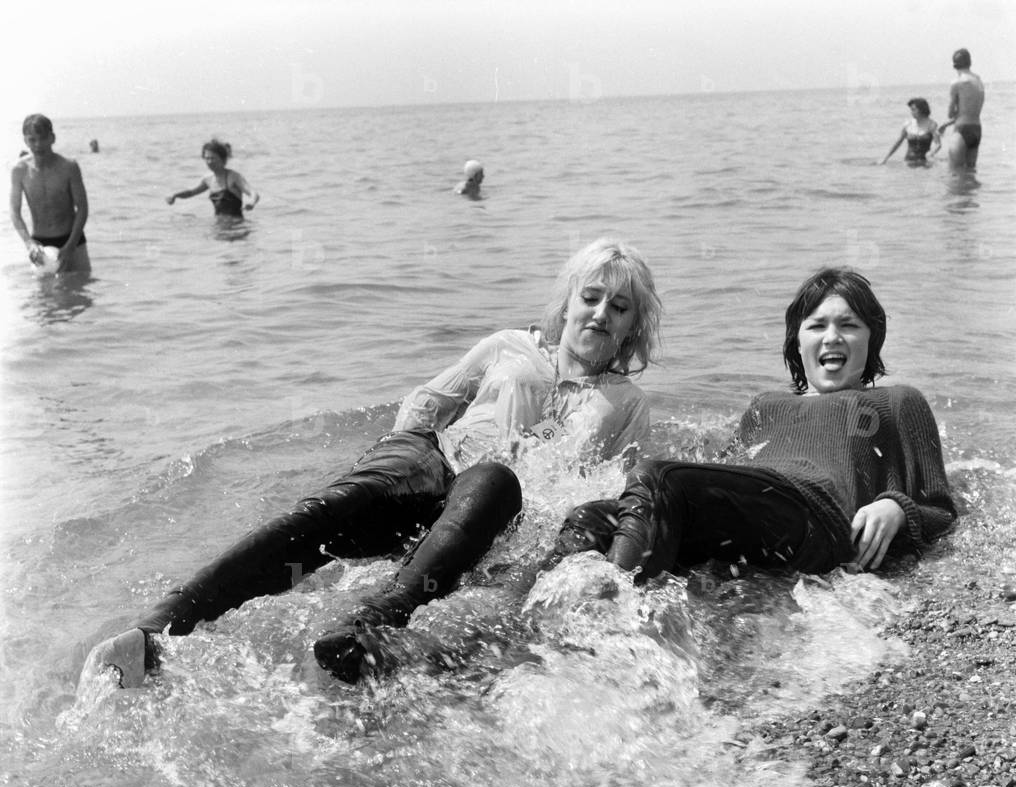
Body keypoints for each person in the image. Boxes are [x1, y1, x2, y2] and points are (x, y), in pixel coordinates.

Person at [81, 238, 663, 688]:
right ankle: (157, 629)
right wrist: (399, 459)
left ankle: (367, 627)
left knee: (497, 479)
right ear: (568, 301)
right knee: (331, 510)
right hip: (431, 464)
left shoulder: (628, 404)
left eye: (618, 307)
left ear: (631, 327)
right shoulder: (509, 345)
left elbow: (609, 491)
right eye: (591, 298)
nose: (600, 314)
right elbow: (428, 402)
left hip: (491, 508)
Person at [555, 267, 955, 587]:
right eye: (817, 326)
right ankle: (541, 621)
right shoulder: (767, 405)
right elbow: (719, 484)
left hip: (819, 521)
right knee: (590, 519)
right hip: (757, 525)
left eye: (848, 325)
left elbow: (942, 511)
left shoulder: (897, 401)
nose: (832, 337)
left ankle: (616, 614)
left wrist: (896, 508)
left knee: (658, 479)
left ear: (872, 337)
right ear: (798, 342)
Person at [9, 114, 91, 274]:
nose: (38, 144)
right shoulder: (19, 170)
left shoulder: (69, 167)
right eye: (32, 140)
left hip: (73, 239)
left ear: (52, 138)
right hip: (40, 245)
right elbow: (14, 211)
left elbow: (82, 208)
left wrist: (70, 246)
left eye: (43, 138)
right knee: (43, 290)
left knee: (81, 286)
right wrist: (29, 243)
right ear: (25, 141)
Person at [165, 138, 259, 217]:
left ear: (223, 159)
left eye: (213, 158)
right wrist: (175, 195)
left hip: (236, 226)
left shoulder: (233, 176)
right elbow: (191, 192)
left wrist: (252, 203)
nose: (209, 162)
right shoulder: (208, 179)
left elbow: (253, 193)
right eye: (207, 158)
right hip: (217, 226)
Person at [942, 48, 985, 172]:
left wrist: (950, 116)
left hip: (962, 129)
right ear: (970, 62)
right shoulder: (978, 80)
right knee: (971, 172)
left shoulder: (957, 82)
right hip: (976, 129)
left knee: (954, 172)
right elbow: (971, 109)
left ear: (954, 65)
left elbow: (950, 114)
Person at [880, 98, 941, 166]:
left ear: (922, 110)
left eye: (913, 110)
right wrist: (885, 158)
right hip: (908, 161)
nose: (911, 112)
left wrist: (931, 153)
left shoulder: (932, 124)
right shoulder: (908, 124)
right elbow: (898, 143)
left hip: (925, 162)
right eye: (911, 110)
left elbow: (938, 144)